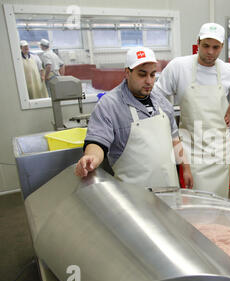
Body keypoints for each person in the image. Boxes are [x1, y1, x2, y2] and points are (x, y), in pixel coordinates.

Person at [75, 47, 193, 190]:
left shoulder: (162, 102)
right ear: (127, 73)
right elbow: (97, 142)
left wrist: (186, 168)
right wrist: (92, 157)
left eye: (153, 74)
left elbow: (175, 139)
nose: (149, 81)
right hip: (135, 199)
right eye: (142, 75)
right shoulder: (109, 105)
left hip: (170, 189)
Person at [155, 23, 230, 198]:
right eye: (206, 46)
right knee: (196, 201)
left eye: (215, 47)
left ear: (222, 47)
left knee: (220, 201)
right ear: (198, 43)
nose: (210, 52)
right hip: (192, 148)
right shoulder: (179, 67)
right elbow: (157, 96)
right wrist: (168, 126)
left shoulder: (227, 70)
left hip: (220, 150)